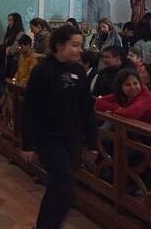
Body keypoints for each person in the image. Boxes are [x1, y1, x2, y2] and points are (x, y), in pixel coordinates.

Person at [21, 25, 98, 229]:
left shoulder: (78, 71)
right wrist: (27, 144)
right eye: (75, 45)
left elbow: (86, 109)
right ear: (59, 45)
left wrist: (92, 143)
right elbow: (30, 108)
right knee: (65, 185)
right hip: (48, 137)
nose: (80, 50)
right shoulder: (42, 71)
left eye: (80, 45)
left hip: (70, 137)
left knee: (59, 188)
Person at [0, 13, 25, 78]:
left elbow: (13, 49)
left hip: (13, 61)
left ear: (16, 21)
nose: (8, 22)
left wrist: (6, 48)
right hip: (4, 59)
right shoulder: (8, 31)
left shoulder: (20, 33)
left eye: (11, 20)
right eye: (8, 20)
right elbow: (1, 43)